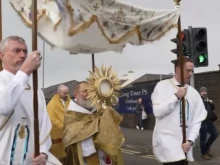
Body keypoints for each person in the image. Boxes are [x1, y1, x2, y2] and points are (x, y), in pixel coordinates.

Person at [0, 36, 60, 165]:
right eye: (17, 50)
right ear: (2, 55)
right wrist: (25, 71)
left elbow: (44, 126)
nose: (22, 55)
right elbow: (4, 106)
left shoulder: (35, 89)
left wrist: (43, 153)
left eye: (25, 51)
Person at [151, 57, 207, 165]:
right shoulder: (162, 87)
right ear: (177, 70)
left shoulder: (194, 93)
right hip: (167, 144)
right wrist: (176, 96)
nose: (190, 74)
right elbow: (157, 112)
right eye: (187, 70)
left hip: (184, 147)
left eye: (192, 71)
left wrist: (190, 140)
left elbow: (197, 120)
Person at [62, 81, 124, 165]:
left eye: (91, 91)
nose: (90, 94)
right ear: (76, 94)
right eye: (85, 91)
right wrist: (97, 133)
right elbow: (71, 141)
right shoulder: (71, 115)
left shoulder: (99, 112)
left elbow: (113, 139)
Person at [47, 84, 71, 163]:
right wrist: (65, 127)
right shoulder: (52, 104)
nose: (66, 95)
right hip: (58, 135)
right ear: (58, 93)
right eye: (64, 93)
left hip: (70, 134)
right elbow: (53, 119)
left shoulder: (70, 101)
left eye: (67, 93)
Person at [199, 87, 218, 160]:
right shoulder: (199, 100)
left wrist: (211, 102)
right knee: (203, 138)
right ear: (200, 92)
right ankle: (204, 153)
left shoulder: (207, 100)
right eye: (203, 91)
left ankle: (206, 147)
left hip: (210, 121)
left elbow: (212, 108)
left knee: (215, 134)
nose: (204, 92)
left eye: (205, 91)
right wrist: (205, 101)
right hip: (203, 122)